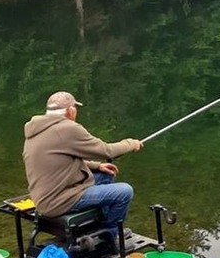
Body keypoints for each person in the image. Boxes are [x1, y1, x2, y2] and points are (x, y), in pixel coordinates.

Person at [23, 91, 143, 239]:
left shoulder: (38, 129)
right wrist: (131, 144)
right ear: (71, 111)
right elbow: (108, 151)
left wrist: (97, 166)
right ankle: (111, 236)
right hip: (59, 200)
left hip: (45, 197)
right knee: (124, 191)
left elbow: (60, 161)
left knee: (105, 175)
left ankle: (97, 228)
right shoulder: (67, 129)